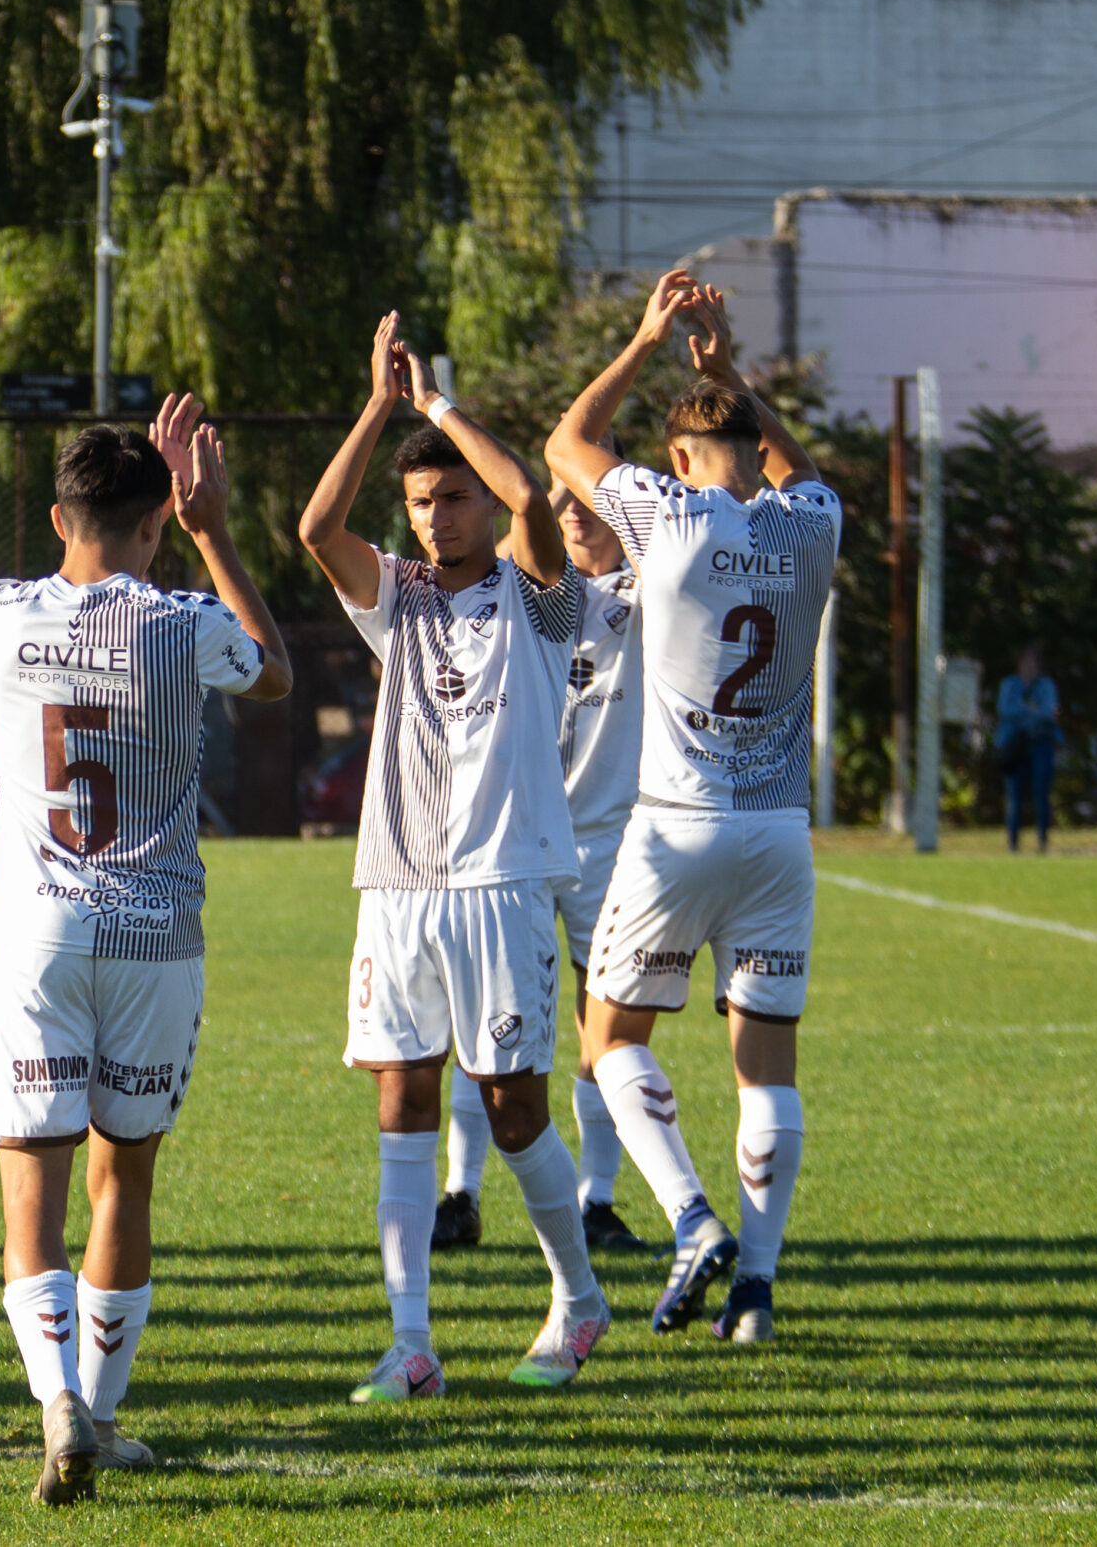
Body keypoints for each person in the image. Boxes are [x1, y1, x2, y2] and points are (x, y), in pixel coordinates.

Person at [0, 401, 292, 1503]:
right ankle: (99, 1414)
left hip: (40, 933)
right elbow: (275, 671)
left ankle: (55, 1399)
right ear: (158, 518)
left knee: (33, 1190)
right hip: (157, 936)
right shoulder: (179, 621)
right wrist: (214, 529)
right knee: (127, 1175)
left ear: (60, 513)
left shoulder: (0, 613)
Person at [298, 314, 609, 1405]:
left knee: (513, 1105)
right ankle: (411, 1342)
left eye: (453, 497)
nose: (440, 517)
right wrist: (376, 409)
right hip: (395, 888)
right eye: (423, 502)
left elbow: (530, 500)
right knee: (400, 1100)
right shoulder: (400, 598)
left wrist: (433, 405)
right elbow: (314, 527)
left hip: (500, 884)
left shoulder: (539, 597)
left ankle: (577, 1300)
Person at [546, 272, 841, 1346]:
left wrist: (642, 340)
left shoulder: (666, 516)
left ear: (675, 459)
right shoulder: (812, 523)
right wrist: (730, 376)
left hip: (672, 825)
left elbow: (568, 441)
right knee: (766, 1065)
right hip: (778, 835)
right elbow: (799, 469)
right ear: (755, 446)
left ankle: (689, 1218)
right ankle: (755, 1290)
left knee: (606, 1037)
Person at [435, 475, 651, 1256]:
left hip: (610, 846)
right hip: (512, 840)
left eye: (591, 498)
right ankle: (461, 1191)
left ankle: (597, 1200)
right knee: (481, 1020)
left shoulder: (646, 590)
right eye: (560, 498)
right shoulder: (507, 590)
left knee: (608, 1027)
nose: (574, 511)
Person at [996, 644, 1062, 854]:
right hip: (1015, 746)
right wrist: (1030, 710)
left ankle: (1042, 841)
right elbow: (1004, 710)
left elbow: (1048, 712)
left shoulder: (1046, 685)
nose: (1030, 664)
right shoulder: (1010, 684)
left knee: (1041, 793)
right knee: (1015, 796)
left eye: (1033, 660)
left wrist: (1025, 712)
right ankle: (1013, 843)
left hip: (1040, 744)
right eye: (1026, 660)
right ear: (1019, 662)